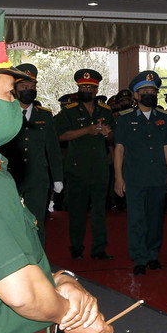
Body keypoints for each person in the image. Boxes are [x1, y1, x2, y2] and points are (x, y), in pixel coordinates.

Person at [0, 11, 114, 333]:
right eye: (9, 93)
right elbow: (21, 293)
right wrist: (71, 316)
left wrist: (62, 278)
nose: (15, 102)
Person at [113, 70, 167, 275]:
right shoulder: (125, 119)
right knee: (136, 219)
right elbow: (119, 149)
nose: (149, 93)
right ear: (135, 95)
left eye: (152, 90)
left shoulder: (165, 119)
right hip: (134, 178)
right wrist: (118, 178)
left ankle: (152, 255)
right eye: (144, 91)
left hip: (158, 176)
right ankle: (139, 257)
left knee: (155, 218)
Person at [0, 63, 63, 247]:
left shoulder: (45, 115)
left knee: (36, 224)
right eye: (24, 87)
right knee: (11, 223)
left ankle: (39, 263)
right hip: (10, 177)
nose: (28, 90)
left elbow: (53, 149)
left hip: (38, 179)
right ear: (15, 89)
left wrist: (57, 177)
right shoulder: (4, 113)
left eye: (32, 87)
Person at [54, 68, 115, 260]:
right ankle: (77, 247)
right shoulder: (69, 111)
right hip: (77, 170)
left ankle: (99, 249)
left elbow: (113, 136)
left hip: (99, 169)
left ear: (97, 90)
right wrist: (86, 130)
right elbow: (60, 136)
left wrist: (107, 134)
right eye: (83, 87)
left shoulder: (105, 111)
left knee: (99, 213)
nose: (86, 90)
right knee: (77, 212)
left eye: (90, 87)